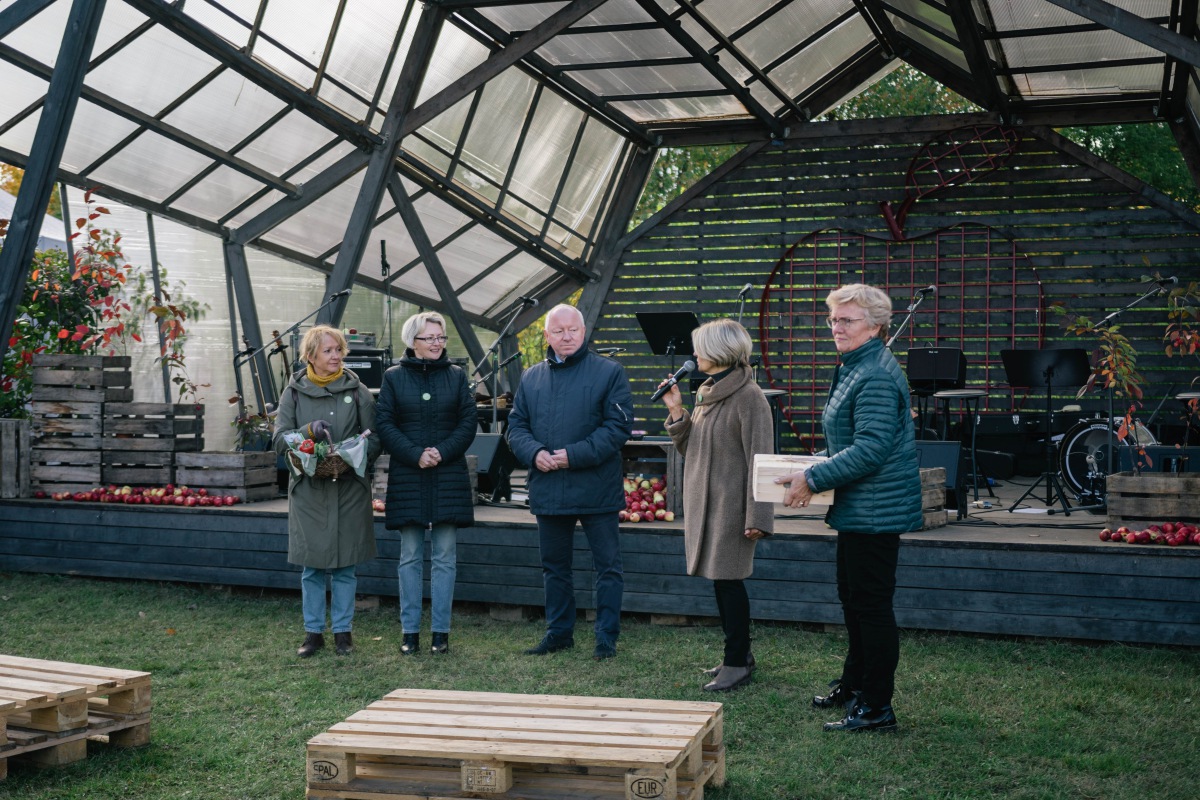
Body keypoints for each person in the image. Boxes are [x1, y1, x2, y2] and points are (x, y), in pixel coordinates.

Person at [776, 283, 922, 733]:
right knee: (854, 601)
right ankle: (856, 685)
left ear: (875, 327)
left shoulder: (874, 374)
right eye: (833, 319)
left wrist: (813, 478)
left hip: (876, 510)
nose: (836, 327)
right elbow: (849, 442)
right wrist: (809, 464)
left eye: (846, 320)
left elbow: (871, 449)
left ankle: (876, 707)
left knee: (871, 607)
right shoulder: (856, 365)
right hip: (859, 506)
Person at [507, 304, 634, 660]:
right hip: (549, 486)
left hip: (597, 487)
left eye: (573, 330)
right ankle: (559, 632)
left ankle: (606, 637)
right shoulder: (531, 377)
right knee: (554, 567)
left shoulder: (610, 372)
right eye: (559, 331)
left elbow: (617, 428)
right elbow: (516, 427)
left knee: (607, 567)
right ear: (547, 335)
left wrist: (573, 455)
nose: (566, 336)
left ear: (584, 331)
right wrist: (534, 453)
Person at [657, 319, 774, 692]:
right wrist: (677, 411)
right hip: (707, 506)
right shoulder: (707, 392)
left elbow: (761, 460)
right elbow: (693, 449)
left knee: (729, 583)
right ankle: (738, 656)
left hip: (732, 508)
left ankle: (737, 663)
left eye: (700, 347)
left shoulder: (749, 398)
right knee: (722, 583)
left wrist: (759, 516)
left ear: (721, 351)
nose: (694, 354)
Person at [273, 324, 381, 658]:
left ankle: (344, 634)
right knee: (313, 567)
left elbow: (376, 437)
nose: (336, 356)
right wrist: (308, 431)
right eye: (328, 351)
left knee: (346, 566)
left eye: (339, 350)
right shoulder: (293, 392)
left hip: (349, 489)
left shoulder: (359, 391)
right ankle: (313, 633)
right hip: (309, 491)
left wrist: (352, 456)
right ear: (311, 356)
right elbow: (279, 440)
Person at [376, 312, 476, 656]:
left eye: (440, 337)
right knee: (410, 556)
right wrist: (415, 454)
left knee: (445, 556)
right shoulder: (393, 377)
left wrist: (442, 452)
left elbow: (468, 422)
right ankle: (410, 632)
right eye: (429, 338)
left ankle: (440, 633)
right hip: (409, 475)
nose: (437, 343)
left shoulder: (457, 376)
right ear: (412, 341)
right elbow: (385, 424)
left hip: (448, 476)